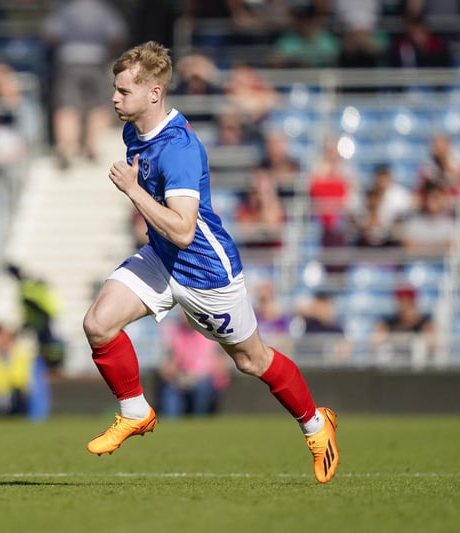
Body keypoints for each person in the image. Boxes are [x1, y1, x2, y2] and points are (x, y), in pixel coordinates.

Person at [82, 41, 339, 483]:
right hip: (163, 258)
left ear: (154, 93)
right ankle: (135, 411)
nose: (114, 98)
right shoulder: (133, 132)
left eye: (123, 91)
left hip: (204, 272)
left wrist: (133, 191)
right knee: (98, 324)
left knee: (252, 361)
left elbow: (183, 229)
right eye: (115, 89)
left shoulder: (179, 149)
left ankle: (317, 426)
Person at [41, 0, 128, 168]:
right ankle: (93, 147)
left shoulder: (65, 9)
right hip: (97, 60)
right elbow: (117, 36)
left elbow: (50, 33)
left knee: (67, 104)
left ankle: (66, 147)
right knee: (99, 105)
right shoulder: (105, 10)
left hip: (67, 60)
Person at [156, 308, 231, 418]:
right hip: (181, 379)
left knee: (203, 387)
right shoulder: (174, 334)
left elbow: (221, 366)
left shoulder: (210, 334)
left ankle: (199, 420)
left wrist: (198, 375)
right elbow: (166, 368)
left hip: (203, 379)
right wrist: (176, 373)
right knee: (170, 391)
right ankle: (170, 423)